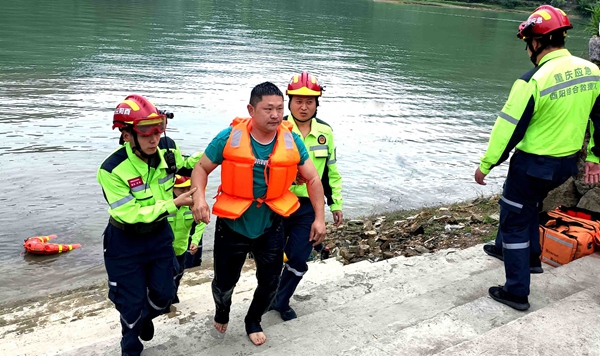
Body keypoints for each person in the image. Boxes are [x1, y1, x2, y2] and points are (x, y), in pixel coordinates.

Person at [474, 5, 600, 311]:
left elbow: (508, 130)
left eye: (528, 41)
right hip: (565, 165)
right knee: (526, 205)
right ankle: (528, 258)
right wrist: (595, 155)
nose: (528, 47)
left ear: (536, 42)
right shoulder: (593, 72)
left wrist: (486, 164)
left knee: (515, 217)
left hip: (532, 164)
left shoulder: (532, 80)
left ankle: (516, 291)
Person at [190, 82, 327, 346]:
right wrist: (199, 199)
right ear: (251, 109)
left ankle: (253, 319)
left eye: (278, 108)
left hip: (271, 224)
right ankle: (223, 310)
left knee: (270, 282)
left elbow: (313, 179)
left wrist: (319, 218)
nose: (276, 115)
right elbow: (201, 168)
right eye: (268, 109)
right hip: (232, 225)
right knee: (224, 282)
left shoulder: (291, 139)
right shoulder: (229, 136)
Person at [98, 94, 198, 356]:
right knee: (129, 303)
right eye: (146, 132)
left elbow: (192, 163)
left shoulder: (167, 152)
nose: (154, 138)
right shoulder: (111, 169)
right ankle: (130, 344)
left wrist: (223, 149)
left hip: (158, 237)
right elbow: (130, 213)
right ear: (127, 134)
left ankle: (144, 319)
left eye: (159, 129)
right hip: (125, 242)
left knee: (165, 294)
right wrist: (174, 204)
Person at [270, 72, 343, 321]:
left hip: (309, 206)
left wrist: (335, 205)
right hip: (277, 202)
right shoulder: (278, 129)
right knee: (270, 256)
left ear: (317, 103)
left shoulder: (326, 132)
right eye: (298, 101)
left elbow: (330, 172)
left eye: (309, 101)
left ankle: (281, 300)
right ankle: (268, 295)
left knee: (300, 257)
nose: (304, 107)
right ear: (288, 102)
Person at [168, 174, 206, 304]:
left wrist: (195, 241)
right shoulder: (165, 205)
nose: (185, 193)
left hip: (182, 248)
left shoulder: (192, 205)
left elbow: (201, 223)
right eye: (181, 190)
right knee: (165, 277)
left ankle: (173, 295)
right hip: (165, 249)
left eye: (187, 189)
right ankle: (168, 299)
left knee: (179, 273)